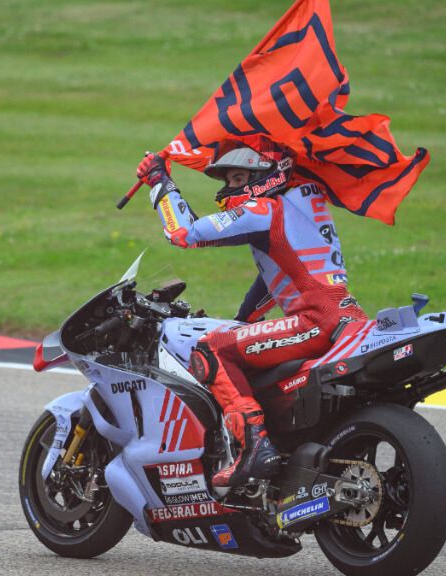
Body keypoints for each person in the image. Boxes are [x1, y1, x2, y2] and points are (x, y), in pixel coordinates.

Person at [136, 137, 366, 487]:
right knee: (232, 342)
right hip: (347, 316)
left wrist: (159, 182)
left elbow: (182, 232)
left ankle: (254, 446)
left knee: (210, 348)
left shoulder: (263, 211)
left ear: (266, 174)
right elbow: (278, 279)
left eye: (239, 179)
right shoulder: (305, 201)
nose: (229, 188)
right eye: (228, 180)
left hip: (315, 320)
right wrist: (243, 323)